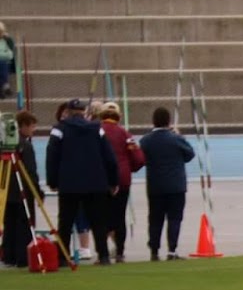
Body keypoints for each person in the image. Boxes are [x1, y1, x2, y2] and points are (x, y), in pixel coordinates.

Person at [45, 97, 119, 266]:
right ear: (84, 112)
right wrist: (113, 181)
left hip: (69, 183)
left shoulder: (59, 130)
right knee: (98, 221)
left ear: (68, 112)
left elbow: (52, 157)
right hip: (96, 182)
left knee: (65, 222)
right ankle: (104, 256)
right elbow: (109, 157)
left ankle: (63, 257)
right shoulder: (96, 129)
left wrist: (53, 181)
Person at [139, 106, 195, 261]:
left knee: (155, 219)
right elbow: (190, 154)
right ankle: (172, 250)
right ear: (168, 121)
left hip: (156, 185)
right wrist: (180, 137)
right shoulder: (175, 138)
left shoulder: (146, 140)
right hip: (175, 185)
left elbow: (140, 159)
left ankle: (154, 250)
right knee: (174, 218)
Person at [95, 102, 144, 263]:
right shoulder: (125, 134)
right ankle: (120, 252)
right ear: (118, 116)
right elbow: (138, 158)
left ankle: (102, 253)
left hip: (101, 179)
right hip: (122, 180)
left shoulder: (96, 132)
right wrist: (130, 168)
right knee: (119, 216)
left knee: (100, 217)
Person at [1, 110, 39, 268]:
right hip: (22, 191)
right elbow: (30, 170)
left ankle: (8, 255)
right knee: (23, 224)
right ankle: (23, 256)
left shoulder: (6, 146)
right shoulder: (25, 145)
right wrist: (37, 191)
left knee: (9, 224)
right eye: (31, 127)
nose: (33, 130)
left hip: (6, 191)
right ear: (23, 126)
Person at [0, 22, 16, 99]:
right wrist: (3, 55)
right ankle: (5, 85)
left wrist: (9, 39)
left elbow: (10, 55)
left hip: (5, 64)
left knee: (2, 64)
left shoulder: (5, 42)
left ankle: (2, 88)